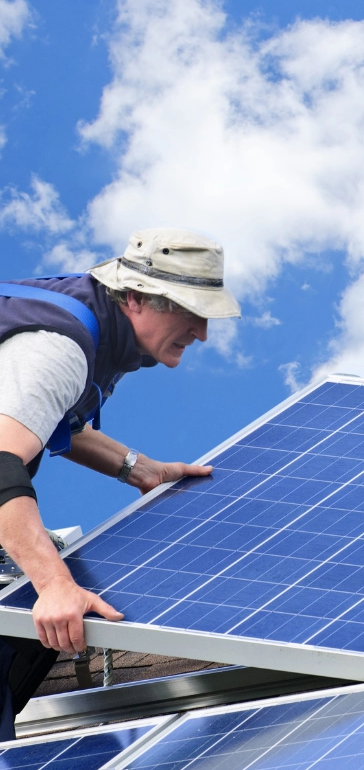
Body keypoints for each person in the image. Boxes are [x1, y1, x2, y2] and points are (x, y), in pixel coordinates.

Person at [0, 227, 241, 738]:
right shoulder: (58, 345)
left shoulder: (92, 326)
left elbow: (43, 415)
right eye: (188, 311)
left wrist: (138, 468)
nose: (201, 332)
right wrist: (54, 585)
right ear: (133, 297)